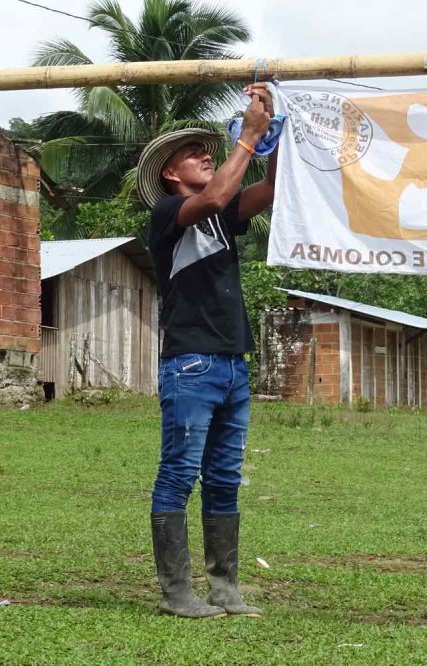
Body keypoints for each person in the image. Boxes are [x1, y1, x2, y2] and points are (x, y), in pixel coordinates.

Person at [136, 83, 277, 618]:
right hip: (191, 363)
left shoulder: (223, 215)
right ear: (171, 174)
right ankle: (177, 593)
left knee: (223, 476)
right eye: (193, 153)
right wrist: (246, 136)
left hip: (232, 365)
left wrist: (273, 127)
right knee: (179, 473)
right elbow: (216, 195)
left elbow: (273, 188)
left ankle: (225, 589)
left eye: (208, 151)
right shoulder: (170, 213)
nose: (205, 155)